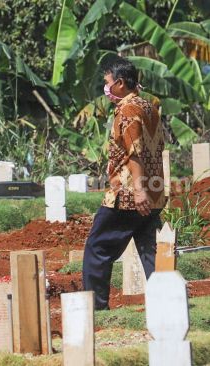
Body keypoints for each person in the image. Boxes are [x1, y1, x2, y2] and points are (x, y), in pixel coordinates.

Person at [82, 57, 166, 310]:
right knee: (151, 251)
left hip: (128, 195)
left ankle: (96, 309)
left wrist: (138, 191)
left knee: (97, 249)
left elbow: (135, 152)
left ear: (119, 83)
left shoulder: (127, 109)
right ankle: (166, 303)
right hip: (155, 192)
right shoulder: (149, 106)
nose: (105, 88)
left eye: (107, 82)